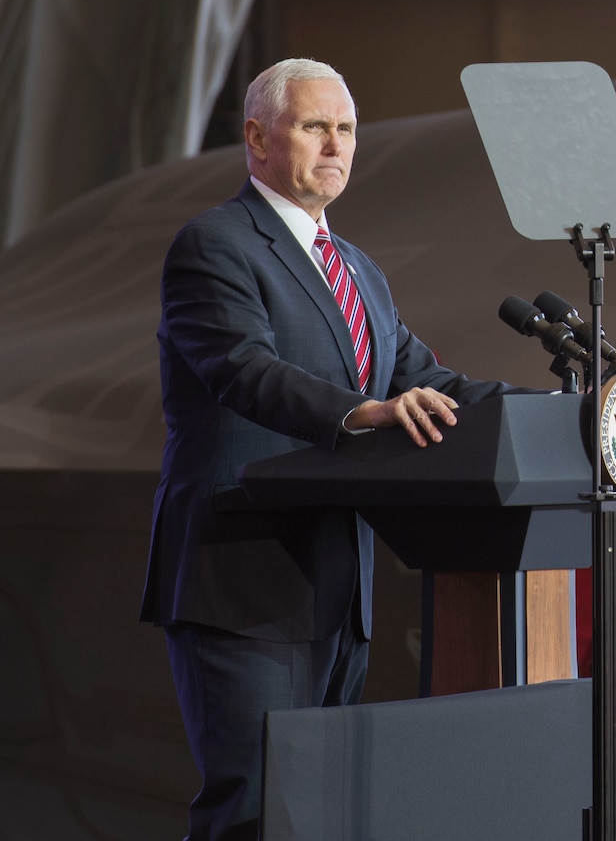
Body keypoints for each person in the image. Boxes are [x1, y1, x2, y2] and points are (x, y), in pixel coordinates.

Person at [140, 58, 530, 841]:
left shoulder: (358, 270)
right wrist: (369, 411)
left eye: (345, 129)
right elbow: (244, 371)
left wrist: (556, 411)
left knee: (315, 820)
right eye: (314, 125)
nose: (335, 145)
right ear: (256, 137)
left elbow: (426, 378)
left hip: (336, 586)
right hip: (243, 581)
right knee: (253, 813)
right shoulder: (215, 246)